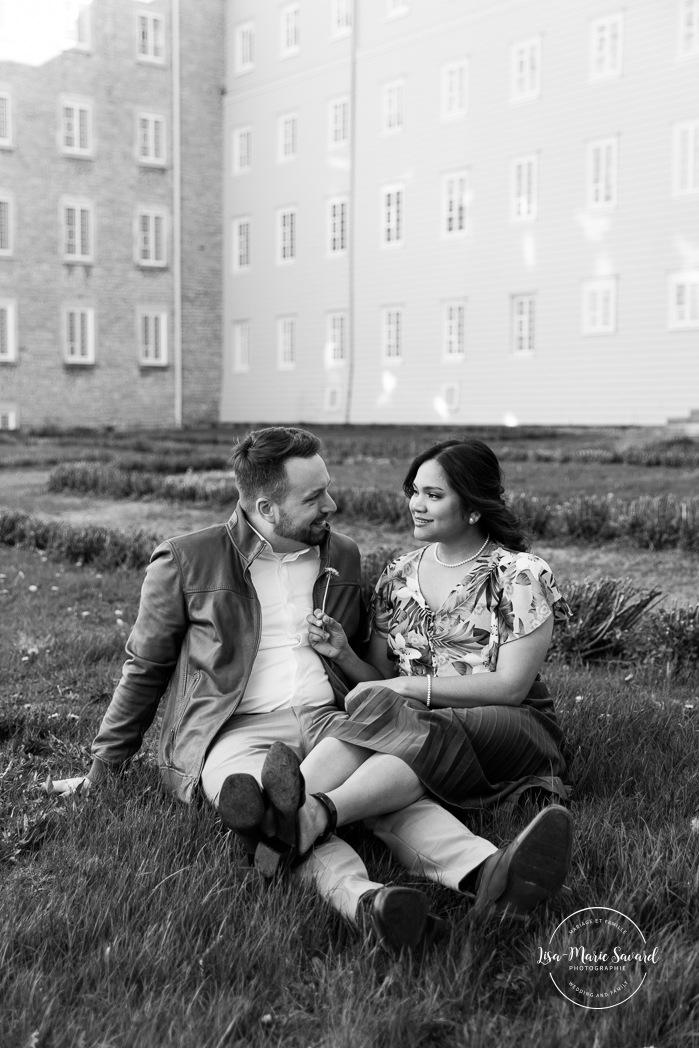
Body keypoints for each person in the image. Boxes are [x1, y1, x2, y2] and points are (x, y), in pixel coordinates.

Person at [51, 427, 572, 953]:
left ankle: (479, 871)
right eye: (314, 496)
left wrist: (346, 657)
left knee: (372, 794)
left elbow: (379, 659)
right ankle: (368, 902)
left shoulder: (342, 555)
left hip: (329, 716)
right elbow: (144, 668)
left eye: (327, 487)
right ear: (267, 507)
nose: (333, 503)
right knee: (268, 795)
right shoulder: (188, 560)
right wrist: (103, 768)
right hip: (235, 731)